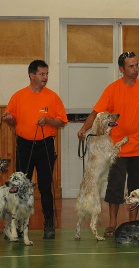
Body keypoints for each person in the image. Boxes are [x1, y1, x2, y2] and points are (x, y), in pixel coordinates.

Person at [77, 51, 139, 237]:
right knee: (115, 187)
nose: (135, 69)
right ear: (121, 69)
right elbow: (96, 113)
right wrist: (84, 129)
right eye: (131, 66)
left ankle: (133, 223)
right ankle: (113, 222)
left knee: (137, 189)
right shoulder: (112, 89)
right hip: (117, 150)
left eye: (137, 65)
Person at [2, 60, 68, 239]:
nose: (45, 77)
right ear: (32, 75)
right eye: (42, 74)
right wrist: (8, 118)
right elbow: (11, 120)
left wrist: (48, 120)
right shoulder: (18, 96)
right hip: (24, 146)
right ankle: (21, 224)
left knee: (46, 186)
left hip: (45, 146)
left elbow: (61, 121)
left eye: (46, 74)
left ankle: (48, 223)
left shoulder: (53, 97)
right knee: (22, 187)